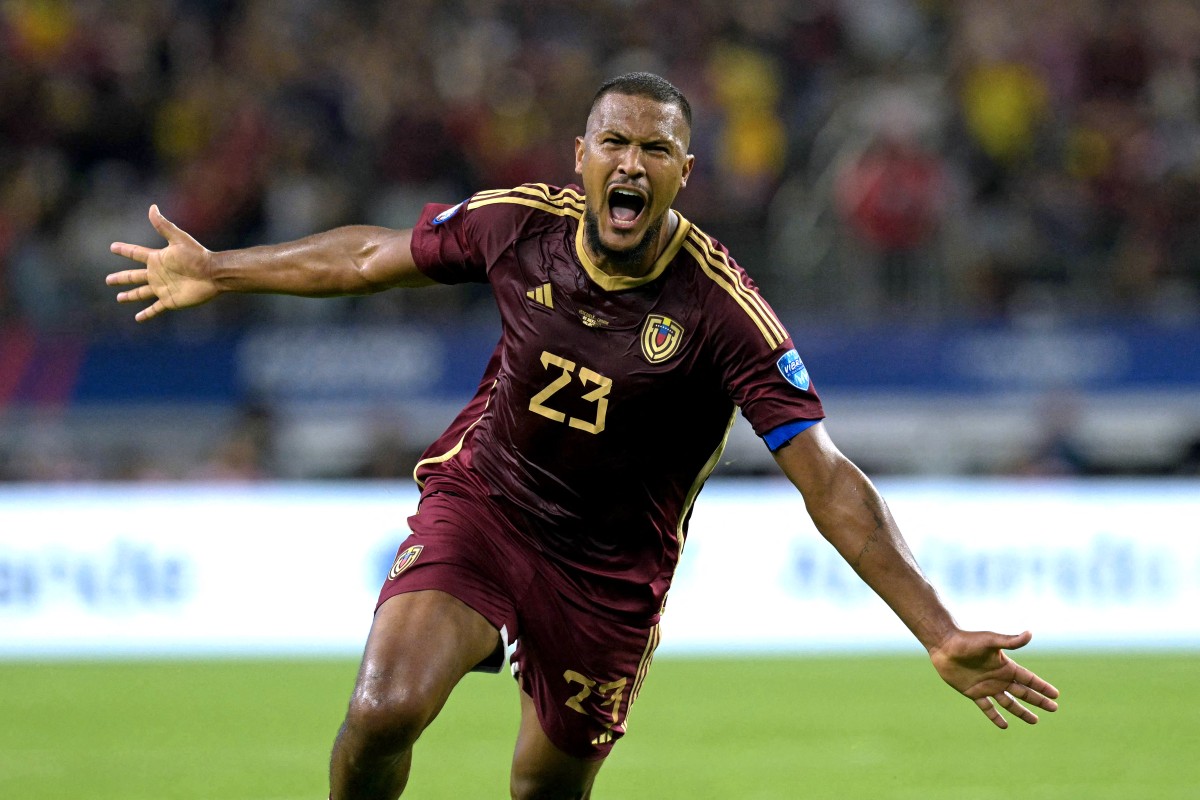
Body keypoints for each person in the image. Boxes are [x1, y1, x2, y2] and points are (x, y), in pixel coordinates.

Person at [107, 73, 1059, 800]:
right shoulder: (519, 228)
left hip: (609, 571)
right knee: (384, 707)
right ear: (582, 155)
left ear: (686, 173)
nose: (632, 164)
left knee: (542, 789)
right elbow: (367, 257)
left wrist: (936, 630)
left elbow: (828, 478)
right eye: (615, 142)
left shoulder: (724, 312)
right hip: (488, 506)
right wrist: (219, 271)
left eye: (656, 149)